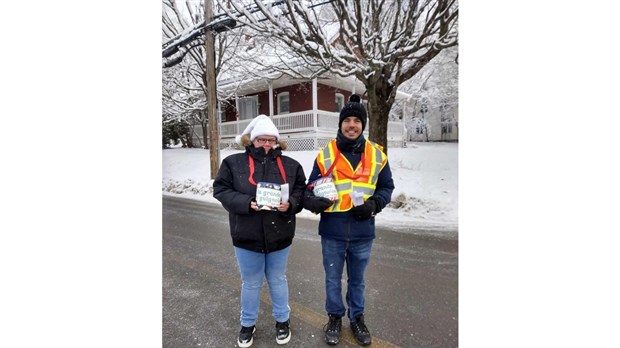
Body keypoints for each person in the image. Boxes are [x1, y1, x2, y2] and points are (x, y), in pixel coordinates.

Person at [303, 95, 395, 346]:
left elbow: (386, 187)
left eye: (357, 120)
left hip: (363, 231)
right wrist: (312, 201)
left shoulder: (377, 155)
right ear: (341, 124)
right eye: (347, 120)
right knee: (332, 278)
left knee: (358, 280)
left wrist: (374, 204)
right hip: (332, 231)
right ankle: (334, 317)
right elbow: (309, 188)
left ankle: (357, 318)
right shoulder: (326, 154)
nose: (352, 125)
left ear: (363, 125)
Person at [213, 115, 307, 347]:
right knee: (251, 282)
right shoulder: (233, 163)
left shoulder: (291, 165)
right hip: (246, 234)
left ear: (277, 142)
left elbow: (300, 191)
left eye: (271, 140)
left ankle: (282, 321)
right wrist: (246, 203)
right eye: (261, 140)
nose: (266, 144)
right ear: (252, 140)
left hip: (280, 234)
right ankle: (247, 323)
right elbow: (221, 189)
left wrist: (292, 204)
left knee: (277, 279)